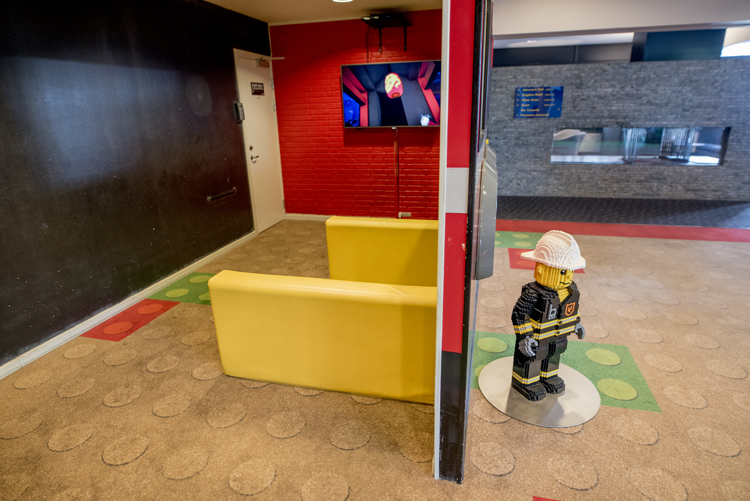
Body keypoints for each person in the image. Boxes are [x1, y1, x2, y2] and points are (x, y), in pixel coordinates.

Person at [510, 230, 586, 401]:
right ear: (541, 269)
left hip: (559, 334)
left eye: (570, 271)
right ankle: (525, 383)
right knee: (533, 358)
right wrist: (525, 336)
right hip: (537, 337)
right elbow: (519, 315)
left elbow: (571, 309)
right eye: (562, 272)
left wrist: (576, 323)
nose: (567, 277)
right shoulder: (533, 293)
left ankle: (549, 377)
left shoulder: (571, 291)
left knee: (555, 353)